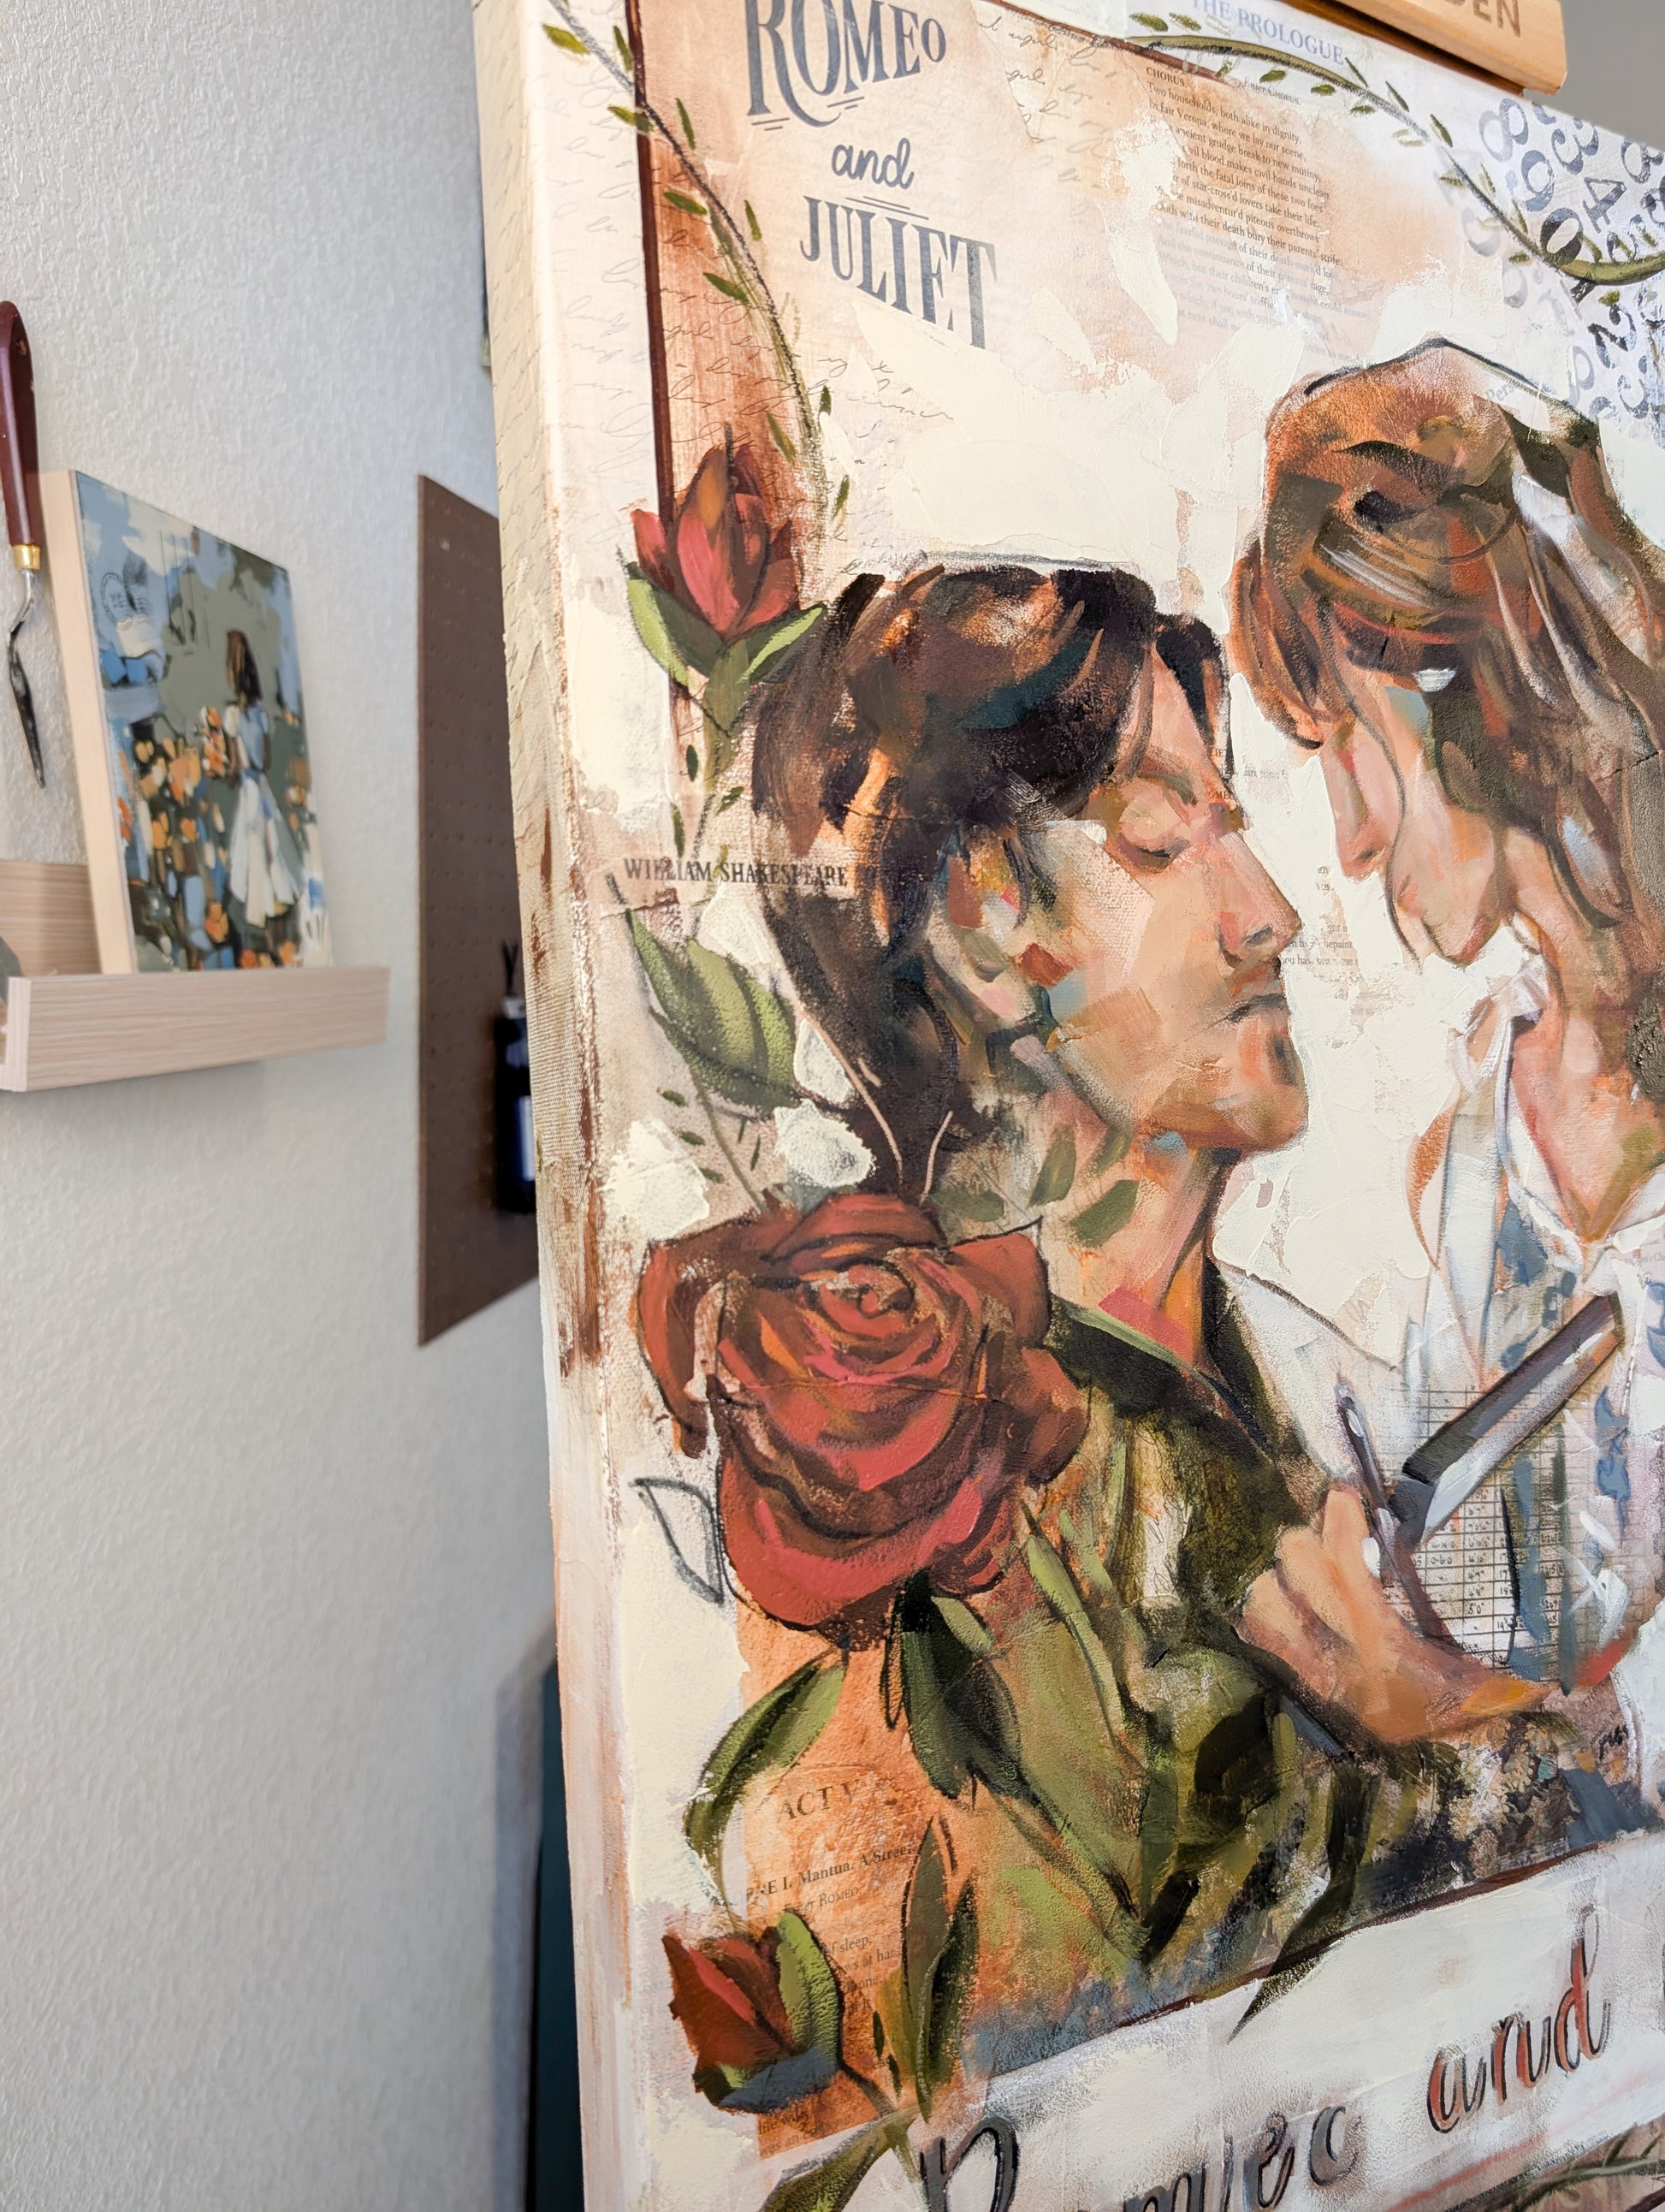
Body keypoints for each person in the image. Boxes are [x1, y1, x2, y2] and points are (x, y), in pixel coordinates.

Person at [748, 561, 1569, 2063]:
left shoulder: (1311, 1386)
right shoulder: (937, 1491)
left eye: (1230, 829)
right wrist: (1440, 1714)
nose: (1268, 917)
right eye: (1160, 839)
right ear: (987, 936)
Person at [1232, 340, 1665, 1826]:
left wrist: (1453, 1709)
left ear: (1475, 710)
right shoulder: (1482, 1144)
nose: (1349, 841)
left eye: (1348, 751)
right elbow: (1487, 1586)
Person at [224, 628, 302, 940]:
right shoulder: (261, 715)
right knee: (272, 844)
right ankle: (277, 901)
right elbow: (265, 761)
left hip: (248, 787)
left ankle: (259, 911)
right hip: (262, 785)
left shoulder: (232, 716)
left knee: (253, 846)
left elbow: (234, 764)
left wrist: (226, 773)